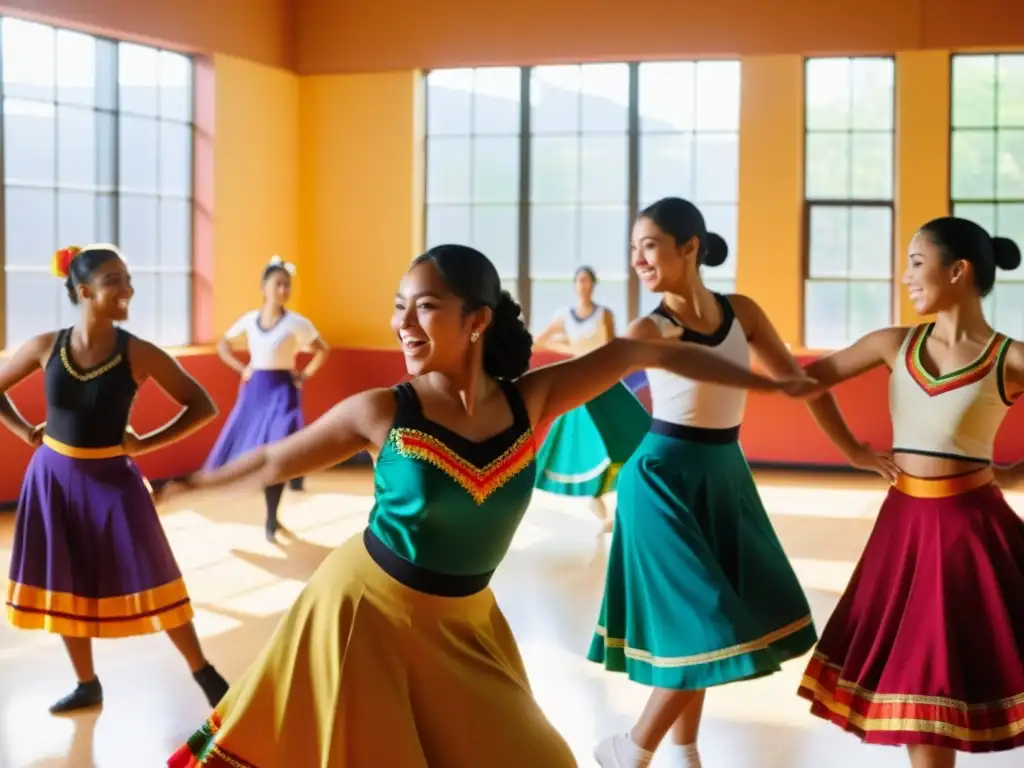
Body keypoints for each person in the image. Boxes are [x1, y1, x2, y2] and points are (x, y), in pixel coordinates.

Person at [163, 243, 820, 768]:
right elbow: (274, 459)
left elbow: (645, 349)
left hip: (465, 624)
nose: (402, 323)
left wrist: (776, 384)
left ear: (476, 320)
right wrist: (181, 487)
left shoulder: (528, 402)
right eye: (399, 307)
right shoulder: (382, 411)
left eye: (424, 307)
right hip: (362, 619)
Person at [589, 198, 821, 768]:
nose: (638, 259)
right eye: (634, 248)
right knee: (706, 619)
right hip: (661, 481)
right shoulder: (650, 328)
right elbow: (590, 386)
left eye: (649, 245)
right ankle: (632, 748)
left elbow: (799, 383)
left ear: (689, 247)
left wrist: (858, 452)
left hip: (723, 476)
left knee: (701, 626)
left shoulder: (741, 311)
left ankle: (684, 751)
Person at [796, 216, 1024, 768]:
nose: (906, 277)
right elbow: (808, 383)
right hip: (904, 533)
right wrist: (853, 450)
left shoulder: (1008, 357)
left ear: (959, 270)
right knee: (919, 695)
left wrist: (1015, 473)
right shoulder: (892, 344)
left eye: (917, 263)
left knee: (980, 672)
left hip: (974, 536)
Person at [1, 244, 230, 714]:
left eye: (128, 278)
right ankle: (87, 684)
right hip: (53, 479)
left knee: (157, 575)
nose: (128, 289)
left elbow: (202, 404)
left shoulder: (139, 353)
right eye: (114, 281)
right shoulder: (46, 346)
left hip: (114, 482)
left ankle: (204, 674)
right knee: (65, 582)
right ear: (84, 291)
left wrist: (145, 444)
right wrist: (25, 431)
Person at [207, 255, 329, 541]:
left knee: (278, 453)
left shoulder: (296, 323)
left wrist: (304, 375)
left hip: (283, 392)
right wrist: (242, 369)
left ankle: (271, 518)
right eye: (278, 284)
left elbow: (322, 349)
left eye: (287, 286)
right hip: (254, 392)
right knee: (246, 450)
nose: (283, 290)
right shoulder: (249, 321)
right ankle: (241, 498)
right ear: (264, 287)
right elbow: (223, 344)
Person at [532, 266, 650, 531]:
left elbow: (612, 349)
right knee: (589, 446)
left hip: (606, 383)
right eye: (579, 280)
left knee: (630, 435)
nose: (583, 285)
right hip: (578, 385)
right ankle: (598, 500)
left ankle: (629, 500)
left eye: (587, 280)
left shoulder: (604, 314)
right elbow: (538, 341)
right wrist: (569, 348)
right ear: (575, 285)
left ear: (593, 285)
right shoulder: (563, 317)